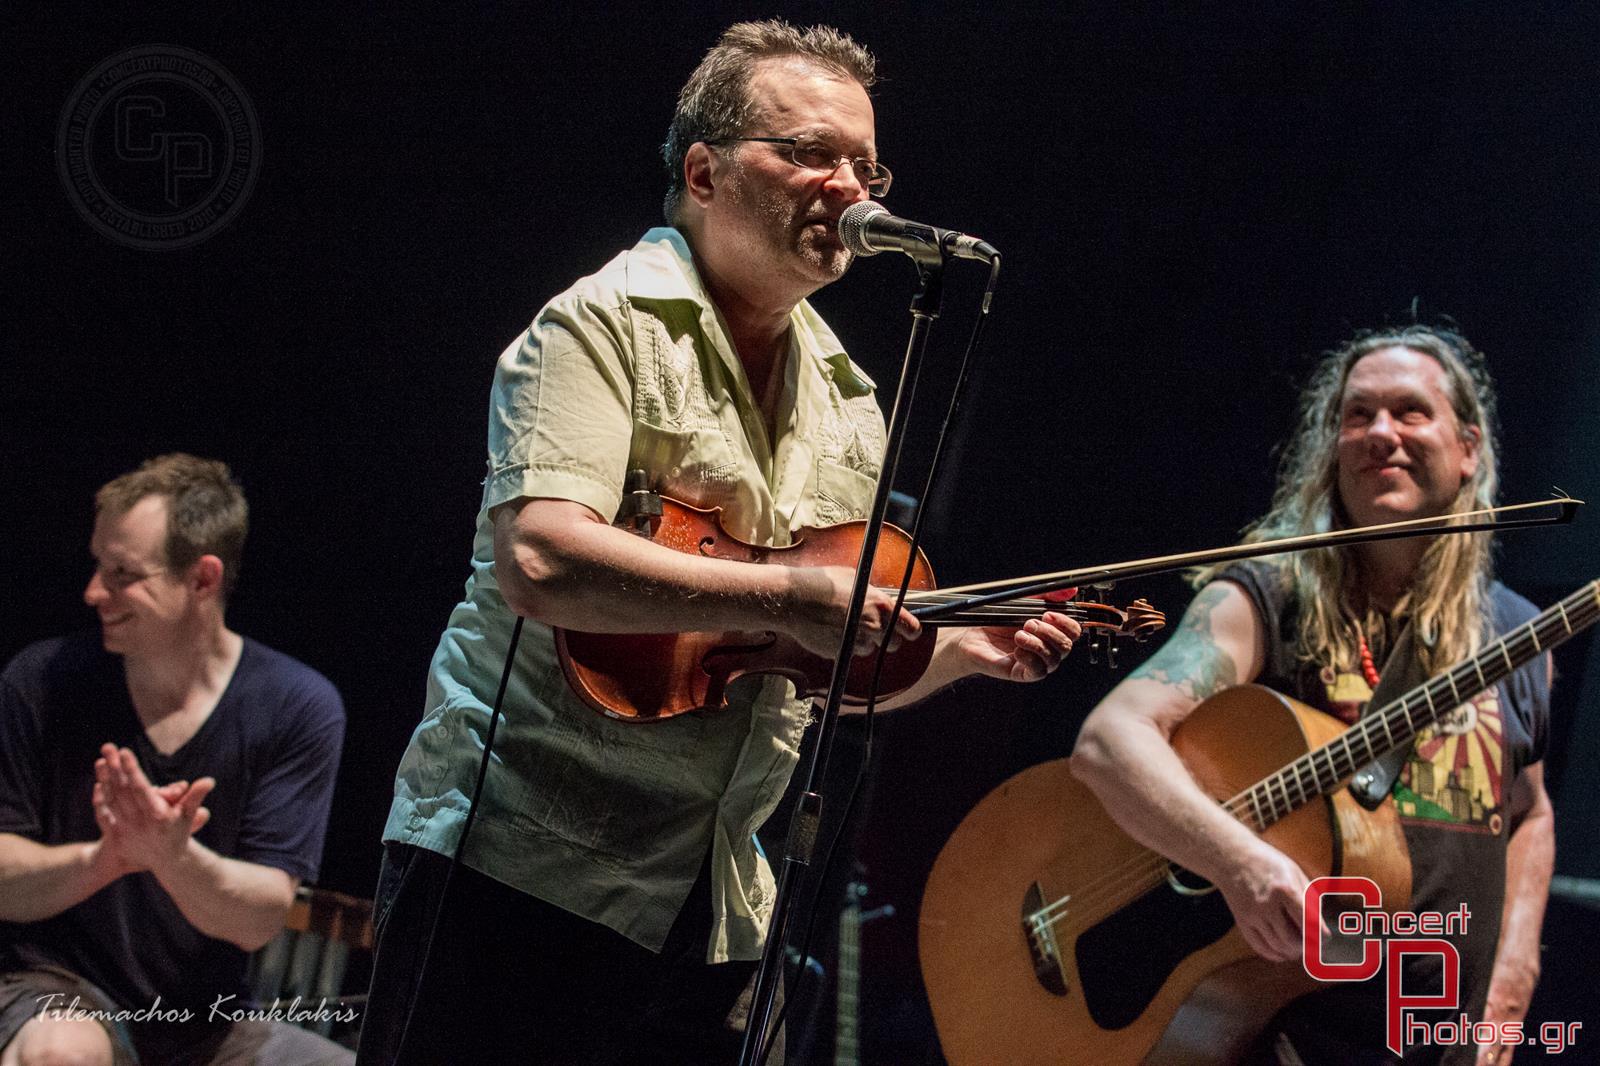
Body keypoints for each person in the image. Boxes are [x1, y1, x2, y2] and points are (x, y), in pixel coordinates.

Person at [358, 19, 1081, 1065]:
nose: (848, 185)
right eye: (807, 152)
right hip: (518, 868)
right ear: (703, 170)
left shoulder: (849, 402)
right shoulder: (596, 327)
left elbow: (793, 664)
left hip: (707, 903)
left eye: (864, 163)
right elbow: (541, 560)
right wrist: (787, 594)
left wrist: (953, 653)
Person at [1071, 325, 1554, 1066]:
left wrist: (1515, 976)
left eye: (1410, 411)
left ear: (1468, 449)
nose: (1380, 433)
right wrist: (1240, 864)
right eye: (1357, 416)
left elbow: (1529, 810)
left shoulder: (1520, 636)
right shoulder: (1268, 596)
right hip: (1285, 1033)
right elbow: (1112, 740)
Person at [0, 454, 350, 1066]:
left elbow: (260, 917)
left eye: (121, 573)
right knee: (62, 1052)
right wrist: (107, 858)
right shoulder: (42, 680)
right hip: (53, 988)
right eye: (97, 565)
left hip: (204, 1022)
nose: (92, 591)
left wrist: (173, 856)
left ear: (202, 580)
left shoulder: (298, 705)